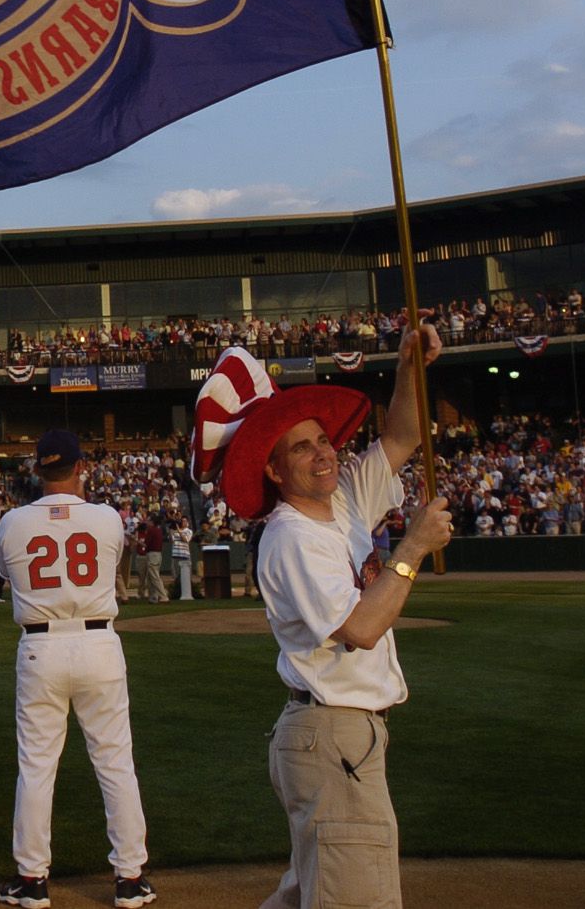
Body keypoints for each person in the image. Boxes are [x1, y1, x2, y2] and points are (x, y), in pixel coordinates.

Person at [192, 327, 451, 909]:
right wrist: (411, 550)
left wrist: (409, 366)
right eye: (302, 448)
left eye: (321, 439)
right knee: (354, 897)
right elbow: (359, 630)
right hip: (333, 733)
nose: (325, 452)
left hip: (338, 734)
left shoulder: (341, 502)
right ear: (276, 473)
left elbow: (405, 436)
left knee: (310, 892)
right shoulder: (291, 536)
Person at [0, 430, 153, 909]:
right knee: (115, 762)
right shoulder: (106, 517)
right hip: (99, 640)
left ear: (38, 469)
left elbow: (7, 573)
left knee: (38, 767)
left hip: (41, 645)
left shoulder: (14, 521)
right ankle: (129, 878)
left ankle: (32, 879)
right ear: (80, 466)